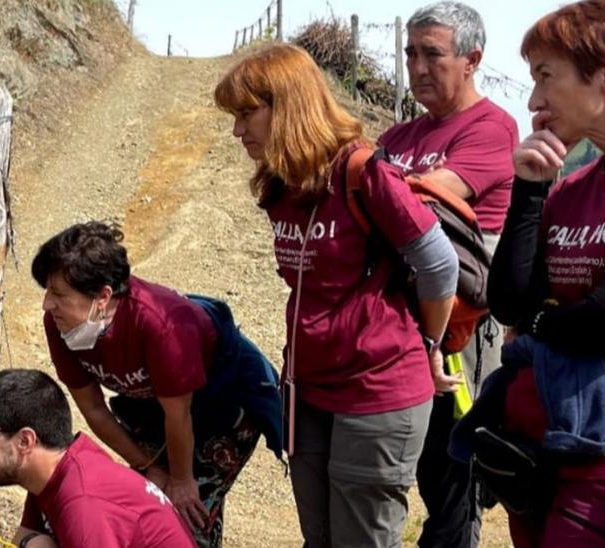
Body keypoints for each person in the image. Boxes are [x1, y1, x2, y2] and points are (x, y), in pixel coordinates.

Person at [460, 0, 605, 545]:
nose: (534, 100)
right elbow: (510, 304)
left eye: (546, 76)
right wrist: (529, 191)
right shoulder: (573, 186)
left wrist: (541, 329)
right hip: (550, 437)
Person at [215, 43, 460, 546]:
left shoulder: (364, 173)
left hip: (377, 392)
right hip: (309, 394)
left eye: (246, 113)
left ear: (287, 105)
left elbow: (438, 264)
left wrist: (431, 345)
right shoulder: (284, 186)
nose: (238, 130)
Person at [32, 222, 282, 548]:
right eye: (47, 292)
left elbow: (179, 415)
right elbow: (93, 407)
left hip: (222, 403)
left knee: (185, 513)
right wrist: (148, 467)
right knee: (145, 503)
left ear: (103, 297)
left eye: (59, 294)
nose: (47, 305)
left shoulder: (161, 325)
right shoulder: (60, 323)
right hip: (152, 409)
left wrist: (180, 480)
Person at [379, 3, 519, 546]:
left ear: (472, 59)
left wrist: (375, 187)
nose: (415, 66)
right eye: (410, 52)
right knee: (385, 481)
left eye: (431, 54)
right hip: (395, 331)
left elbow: (420, 201)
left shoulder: (492, 129)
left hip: (458, 335)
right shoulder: (399, 133)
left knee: (450, 485)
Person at [0, 369, 195, 548]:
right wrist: (29, 543)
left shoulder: (84, 504)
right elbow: (24, 537)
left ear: (25, 441)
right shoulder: (58, 469)